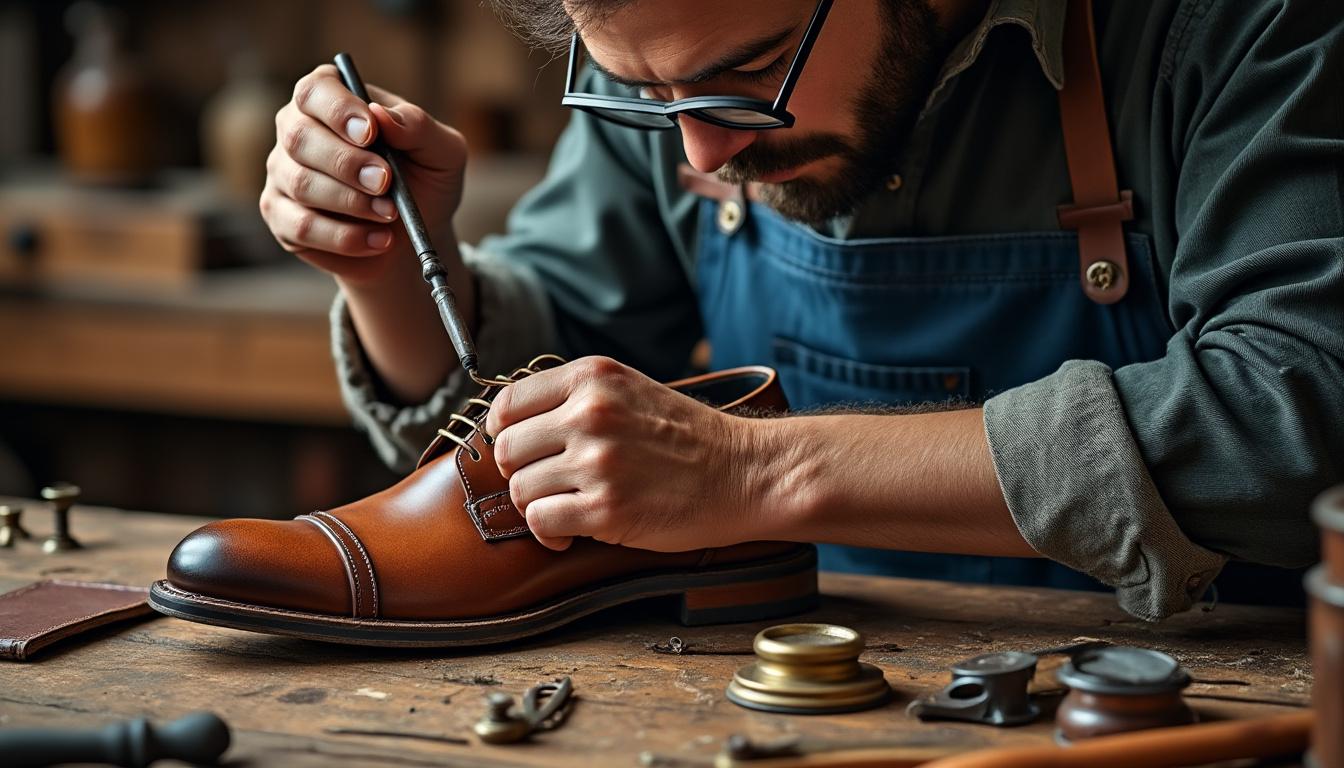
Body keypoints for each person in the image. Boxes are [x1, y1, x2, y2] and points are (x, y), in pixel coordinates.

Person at [258, 0, 1344, 621]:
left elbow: (1295, 416)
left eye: (749, 73)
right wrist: (393, 270)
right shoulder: (680, 65)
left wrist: (752, 471)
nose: (699, 149)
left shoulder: (1235, 30)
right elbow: (557, 400)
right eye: (645, 95)